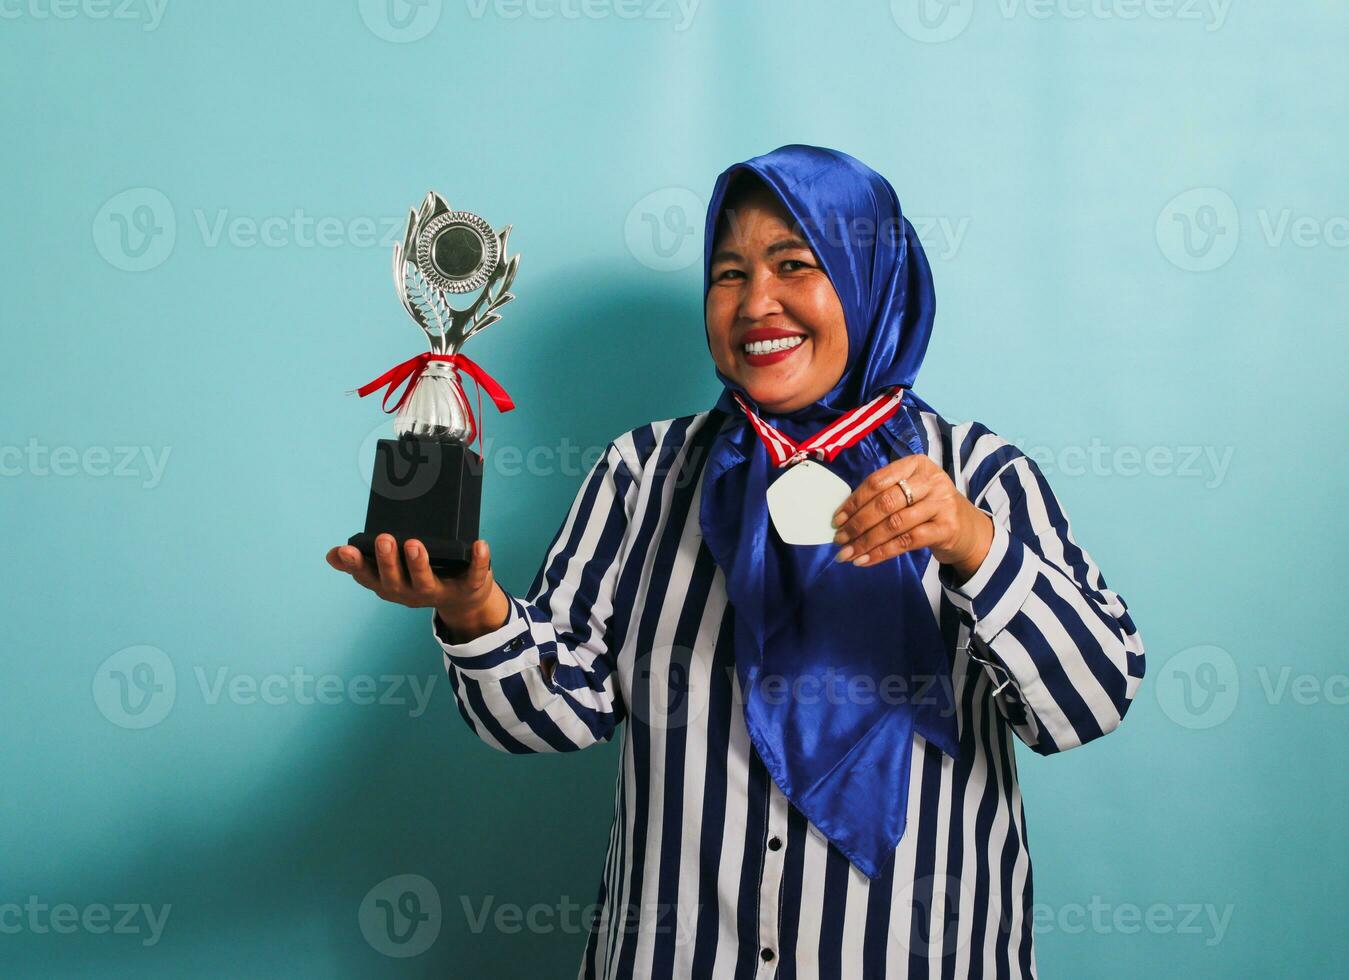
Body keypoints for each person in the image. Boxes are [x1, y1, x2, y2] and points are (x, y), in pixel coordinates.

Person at [326, 144, 1145, 979]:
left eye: (795, 264)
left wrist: (971, 544)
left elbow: (1089, 703)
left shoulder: (976, 476)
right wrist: (475, 611)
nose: (757, 303)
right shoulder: (645, 472)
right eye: (728, 273)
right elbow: (545, 718)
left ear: (871, 276)